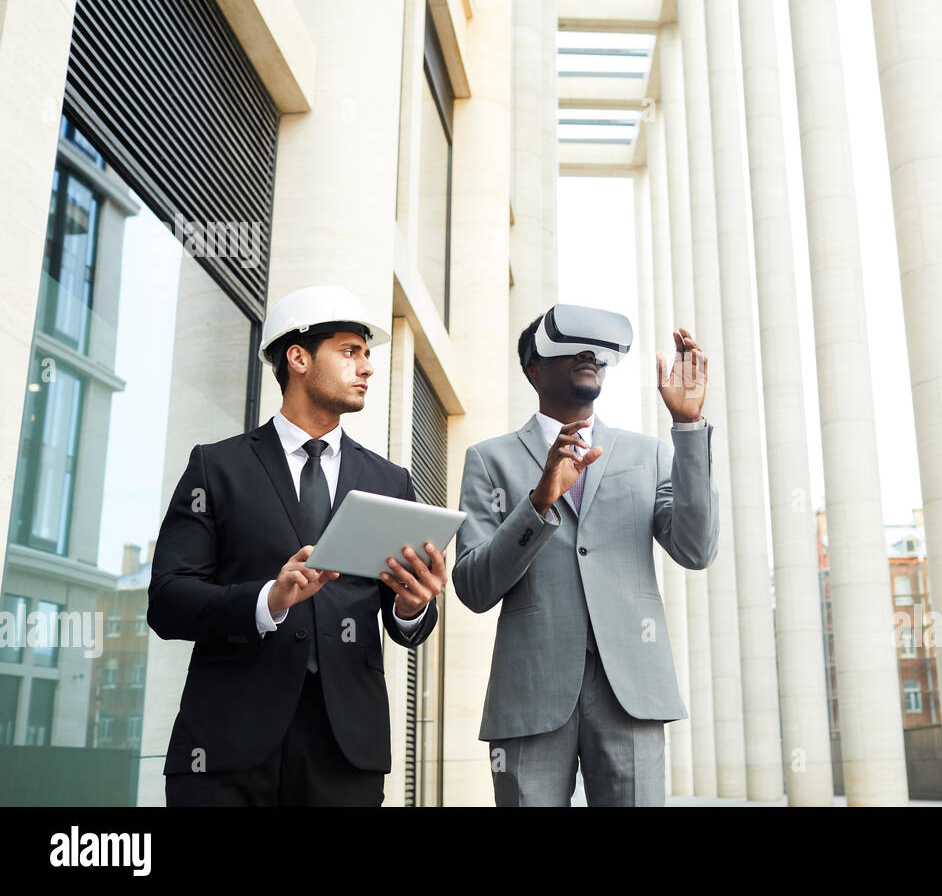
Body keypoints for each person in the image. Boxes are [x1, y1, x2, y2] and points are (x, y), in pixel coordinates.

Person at [149, 284, 446, 806]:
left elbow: (405, 625)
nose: (367, 368)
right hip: (225, 746)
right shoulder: (215, 467)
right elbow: (168, 601)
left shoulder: (390, 480)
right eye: (351, 351)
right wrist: (269, 600)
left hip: (344, 750)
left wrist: (409, 606)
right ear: (298, 357)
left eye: (368, 355)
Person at [453, 304, 719, 806]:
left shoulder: (649, 454)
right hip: (530, 693)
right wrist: (538, 502)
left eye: (597, 349)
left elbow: (696, 548)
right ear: (534, 366)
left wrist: (688, 429)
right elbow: (473, 586)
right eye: (572, 345)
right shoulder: (490, 460)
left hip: (631, 693)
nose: (590, 354)